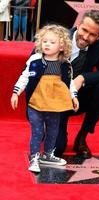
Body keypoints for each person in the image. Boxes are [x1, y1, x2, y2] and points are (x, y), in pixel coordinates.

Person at [10, 24, 79, 173]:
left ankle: (47, 155)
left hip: (55, 103)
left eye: (52, 42)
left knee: (53, 130)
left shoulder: (65, 64)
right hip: (36, 101)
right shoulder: (34, 59)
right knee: (37, 131)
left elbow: (70, 82)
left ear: (61, 46)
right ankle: (34, 157)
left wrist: (74, 96)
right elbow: (25, 76)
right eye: (45, 41)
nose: (47, 44)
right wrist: (16, 92)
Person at [54, 10, 99, 159]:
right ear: (78, 25)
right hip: (53, 100)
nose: (86, 37)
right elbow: (30, 69)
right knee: (58, 149)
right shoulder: (56, 38)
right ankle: (49, 128)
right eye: (84, 30)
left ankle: (82, 137)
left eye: (92, 34)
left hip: (78, 98)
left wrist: (83, 78)